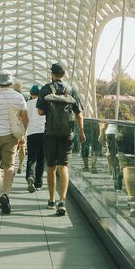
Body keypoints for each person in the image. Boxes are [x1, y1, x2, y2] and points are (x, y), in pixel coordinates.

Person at [35, 63, 85, 216]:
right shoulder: (71, 90)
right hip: (67, 133)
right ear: (63, 74)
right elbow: (79, 114)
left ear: (52, 74)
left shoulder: (45, 88)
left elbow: (40, 112)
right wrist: (81, 132)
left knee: (50, 166)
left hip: (50, 133)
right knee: (63, 166)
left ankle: (51, 200)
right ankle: (62, 200)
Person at [0, 72, 29, 214]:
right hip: (11, 135)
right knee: (9, 166)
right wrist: (23, 135)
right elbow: (25, 118)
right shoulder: (18, 96)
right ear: (11, 82)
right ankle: (5, 195)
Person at [23, 85, 46, 192]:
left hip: (31, 133)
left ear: (31, 94)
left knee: (32, 157)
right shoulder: (44, 103)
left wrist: (23, 134)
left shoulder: (27, 104)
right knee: (41, 158)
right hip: (43, 133)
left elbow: (25, 119)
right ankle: (38, 183)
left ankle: (30, 176)